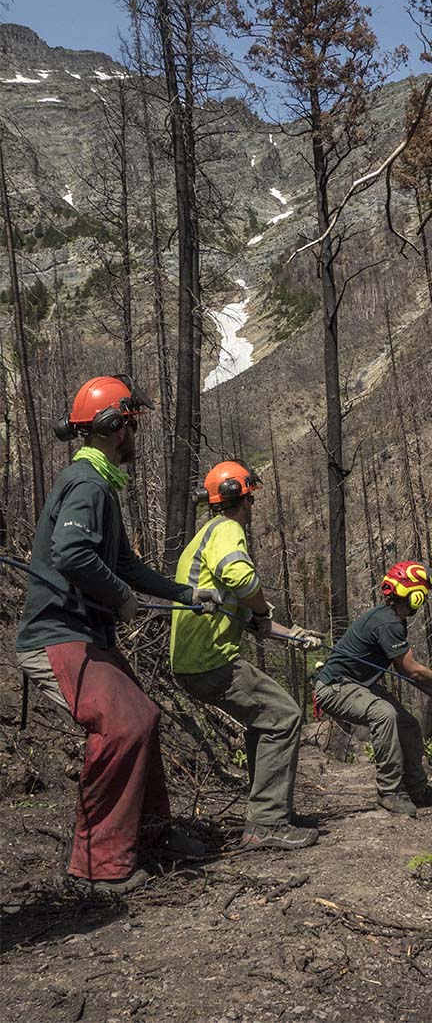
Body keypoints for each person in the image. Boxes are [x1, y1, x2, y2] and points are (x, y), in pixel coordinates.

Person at [16, 375, 219, 894]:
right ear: (113, 426)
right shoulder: (86, 483)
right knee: (124, 725)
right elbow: (73, 555)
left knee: (142, 716)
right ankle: (98, 863)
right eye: (131, 424)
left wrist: (184, 594)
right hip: (58, 633)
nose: (135, 436)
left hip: (84, 633)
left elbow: (124, 563)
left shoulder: (100, 484)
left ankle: (149, 837)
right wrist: (120, 598)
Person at [170, 460, 321, 851]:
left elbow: (252, 616)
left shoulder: (205, 534)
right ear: (241, 496)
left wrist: (294, 635)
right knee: (285, 717)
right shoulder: (227, 529)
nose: (252, 506)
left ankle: (265, 815)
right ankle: (267, 823)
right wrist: (259, 609)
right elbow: (242, 578)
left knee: (266, 720)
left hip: (194, 662)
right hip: (211, 660)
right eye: (251, 498)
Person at [311, 561, 432, 818]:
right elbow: (412, 669)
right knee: (383, 714)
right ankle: (389, 792)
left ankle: (417, 789)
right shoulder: (388, 624)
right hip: (335, 687)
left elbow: (403, 669)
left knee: (408, 725)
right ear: (414, 596)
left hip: (357, 685)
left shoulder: (393, 621)